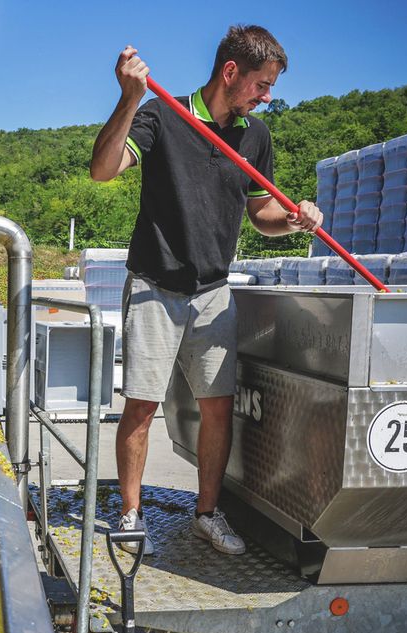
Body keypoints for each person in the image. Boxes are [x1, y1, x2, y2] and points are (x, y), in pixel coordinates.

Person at [89, 25, 322, 556]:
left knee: (218, 408)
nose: (267, 96)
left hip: (213, 291)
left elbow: (261, 215)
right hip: (155, 285)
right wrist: (130, 98)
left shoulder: (254, 135)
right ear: (231, 72)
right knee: (142, 407)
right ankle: (130, 515)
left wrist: (294, 219)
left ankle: (207, 515)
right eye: (262, 85)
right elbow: (103, 170)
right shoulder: (162, 115)